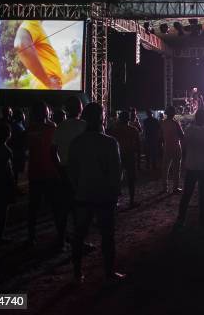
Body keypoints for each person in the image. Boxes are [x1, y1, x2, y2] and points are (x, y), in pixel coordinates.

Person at [69, 103, 125, 283]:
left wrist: (77, 187)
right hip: (104, 196)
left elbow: (72, 170)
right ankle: (109, 272)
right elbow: (116, 173)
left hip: (83, 194)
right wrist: (115, 194)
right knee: (107, 236)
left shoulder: (77, 142)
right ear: (101, 118)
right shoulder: (110, 142)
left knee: (79, 235)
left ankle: (77, 273)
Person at [26, 101, 64, 248]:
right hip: (51, 173)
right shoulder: (53, 129)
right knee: (56, 208)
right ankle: (61, 239)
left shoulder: (29, 130)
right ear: (47, 113)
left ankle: (31, 238)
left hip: (36, 173)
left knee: (33, 208)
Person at [52, 96, 87, 246]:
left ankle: (61, 241)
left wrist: (59, 168)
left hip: (65, 171)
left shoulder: (60, 127)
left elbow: (52, 151)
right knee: (79, 210)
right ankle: (79, 241)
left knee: (64, 209)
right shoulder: (86, 126)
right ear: (80, 109)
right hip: (81, 172)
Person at [176, 109, 204, 227]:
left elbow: (184, 147)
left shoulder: (188, 131)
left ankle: (181, 218)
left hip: (192, 166)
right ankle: (203, 220)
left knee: (187, 194)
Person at [14, 20, 63, 89]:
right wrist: (48, 82)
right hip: (46, 88)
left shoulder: (36, 26)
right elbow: (20, 44)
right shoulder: (32, 22)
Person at [109, 111, 140, 208]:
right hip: (130, 155)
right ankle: (131, 200)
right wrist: (138, 159)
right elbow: (138, 146)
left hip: (118, 155)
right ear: (128, 119)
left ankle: (116, 201)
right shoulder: (133, 130)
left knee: (117, 178)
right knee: (131, 179)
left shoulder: (115, 130)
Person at [160, 106, 184, 194]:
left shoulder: (162, 123)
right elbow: (182, 135)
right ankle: (175, 187)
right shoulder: (175, 123)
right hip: (176, 147)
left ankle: (164, 188)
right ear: (173, 113)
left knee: (165, 168)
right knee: (176, 168)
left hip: (167, 147)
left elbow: (160, 136)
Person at [9, 109, 27, 186]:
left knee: (16, 171)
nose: (24, 115)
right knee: (14, 170)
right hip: (16, 151)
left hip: (19, 150)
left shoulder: (20, 124)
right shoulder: (15, 125)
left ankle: (14, 186)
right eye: (23, 114)